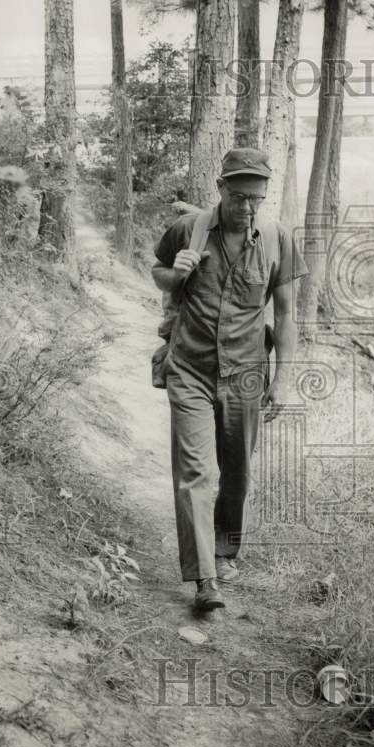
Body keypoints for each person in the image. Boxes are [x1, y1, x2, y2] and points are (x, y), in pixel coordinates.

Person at [152, 148, 308, 612]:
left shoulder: (278, 238)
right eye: (239, 197)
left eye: (256, 199)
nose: (246, 208)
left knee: (236, 473)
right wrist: (173, 273)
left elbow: (285, 316)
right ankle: (204, 578)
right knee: (196, 473)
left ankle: (225, 549)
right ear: (220, 188)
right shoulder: (189, 228)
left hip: (245, 374)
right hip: (191, 368)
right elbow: (158, 273)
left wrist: (283, 381)